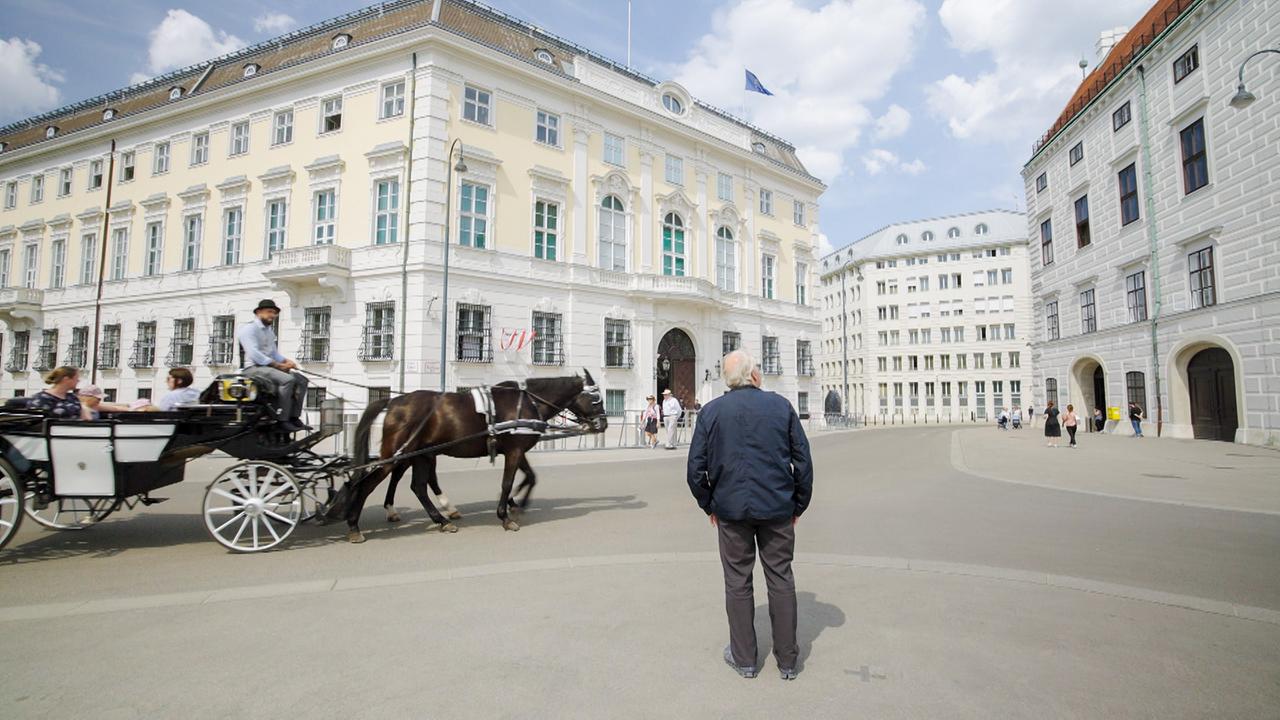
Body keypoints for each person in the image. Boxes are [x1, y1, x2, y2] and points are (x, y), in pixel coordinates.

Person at [687, 350, 813, 682]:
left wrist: (709, 505)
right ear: (754, 375)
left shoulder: (711, 412)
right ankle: (787, 661)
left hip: (730, 511)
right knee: (781, 579)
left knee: (737, 582)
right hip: (777, 508)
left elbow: (694, 469)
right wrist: (798, 504)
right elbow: (803, 462)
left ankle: (744, 659)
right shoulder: (781, 406)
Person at [237, 298, 310, 432]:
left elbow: (274, 353)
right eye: (269, 312)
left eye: (275, 313)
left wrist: (287, 361)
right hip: (252, 368)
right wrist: (278, 365)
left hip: (267, 367)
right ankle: (281, 419)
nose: (273, 315)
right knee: (287, 380)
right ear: (259, 312)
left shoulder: (269, 332)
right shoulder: (249, 329)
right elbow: (255, 354)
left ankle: (294, 417)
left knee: (302, 380)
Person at [27, 366, 91, 419]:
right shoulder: (41, 399)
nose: (78, 381)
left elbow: (85, 419)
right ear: (66, 379)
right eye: (76, 378)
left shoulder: (73, 398)